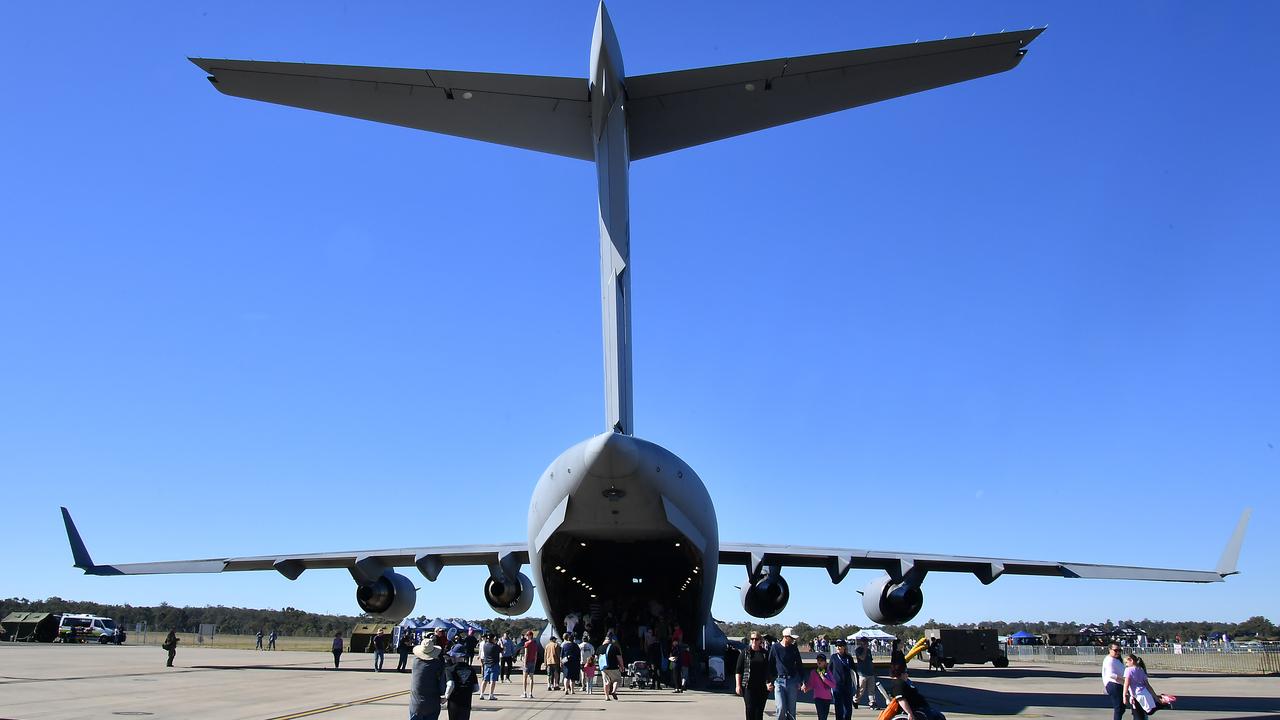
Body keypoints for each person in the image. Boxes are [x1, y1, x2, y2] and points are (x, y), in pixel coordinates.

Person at [767, 627, 804, 720]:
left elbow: (799, 664)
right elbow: (770, 664)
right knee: (781, 707)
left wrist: (802, 680)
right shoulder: (775, 647)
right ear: (786, 637)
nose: (793, 640)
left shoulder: (794, 648)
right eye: (792, 638)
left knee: (791, 710)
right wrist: (769, 681)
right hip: (779, 681)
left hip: (792, 681)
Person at [1123, 654, 1173, 719]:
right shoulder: (1140, 669)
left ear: (1131, 660)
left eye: (1126, 662)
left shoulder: (1128, 670)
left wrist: (1124, 695)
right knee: (1147, 711)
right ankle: (1162, 703)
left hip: (1137, 694)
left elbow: (1126, 683)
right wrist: (1155, 697)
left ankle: (1163, 704)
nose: (1126, 664)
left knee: (1141, 713)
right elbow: (1147, 684)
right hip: (1144, 692)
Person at [410, 638, 447, 720]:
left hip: (415, 705)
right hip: (432, 703)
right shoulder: (436, 664)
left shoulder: (415, 662)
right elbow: (442, 682)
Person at [737, 631, 771, 720]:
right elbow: (738, 670)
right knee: (750, 709)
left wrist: (769, 682)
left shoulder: (765, 653)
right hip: (748, 686)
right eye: (752, 639)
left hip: (762, 687)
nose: (754, 641)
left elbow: (768, 670)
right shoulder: (745, 653)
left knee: (759, 711)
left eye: (756, 639)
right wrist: (738, 685)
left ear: (760, 640)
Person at [444, 644, 479, 720]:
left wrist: (446, 697)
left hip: (454, 702)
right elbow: (476, 688)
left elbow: (450, 684)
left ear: (456, 656)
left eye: (452, 656)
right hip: (466, 702)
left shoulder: (450, 669)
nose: (451, 658)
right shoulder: (471, 669)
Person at [828, 638, 856, 720]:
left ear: (844, 647)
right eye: (837, 646)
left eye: (840, 646)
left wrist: (857, 686)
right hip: (837, 686)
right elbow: (829, 670)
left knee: (848, 708)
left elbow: (854, 671)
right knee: (838, 707)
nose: (838, 647)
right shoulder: (833, 657)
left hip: (847, 686)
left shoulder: (849, 658)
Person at [807, 653, 838, 720]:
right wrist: (805, 687)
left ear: (825, 662)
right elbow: (811, 684)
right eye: (818, 660)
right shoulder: (814, 672)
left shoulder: (828, 672)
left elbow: (833, 685)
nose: (819, 662)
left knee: (824, 716)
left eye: (821, 660)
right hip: (818, 697)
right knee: (821, 717)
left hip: (827, 698)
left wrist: (824, 679)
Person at [1103, 643, 1127, 720]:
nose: (1118, 652)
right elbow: (1111, 675)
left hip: (1119, 684)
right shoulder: (1109, 660)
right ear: (1110, 650)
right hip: (1114, 685)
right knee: (1119, 708)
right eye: (1115, 650)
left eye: (1120, 650)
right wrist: (1124, 680)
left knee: (1122, 707)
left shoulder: (1116, 659)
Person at [855, 637, 880, 710]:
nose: (866, 644)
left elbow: (870, 660)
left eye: (867, 642)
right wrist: (865, 649)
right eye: (864, 642)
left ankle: (872, 702)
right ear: (861, 643)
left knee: (871, 689)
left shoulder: (869, 651)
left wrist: (873, 670)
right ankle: (855, 700)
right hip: (862, 673)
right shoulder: (858, 650)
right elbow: (862, 658)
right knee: (861, 689)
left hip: (870, 673)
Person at [601, 632, 623, 701]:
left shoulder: (600, 648)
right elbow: (619, 658)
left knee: (606, 682)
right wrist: (622, 666)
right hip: (614, 667)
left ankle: (607, 697)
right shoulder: (615, 648)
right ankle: (614, 691)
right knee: (616, 680)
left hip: (604, 667)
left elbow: (596, 657)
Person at [479, 633, 500, 700]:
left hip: (486, 664)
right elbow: (502, 650)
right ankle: (491, 695)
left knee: (485, 680)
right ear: (493, 638)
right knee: (492, 680)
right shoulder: (495, 646)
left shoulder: (485, 645)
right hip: (494, 664)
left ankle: (481, 694)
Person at [521, 630, 538, 699]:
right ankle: (530, 693)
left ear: (530, 635)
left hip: (527, 662)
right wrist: (535, 662)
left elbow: (526, 654)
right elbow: (536, 654)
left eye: (527, 635)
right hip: (533, 662)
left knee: (524, 678)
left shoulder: (526, 643)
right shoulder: (535, 644)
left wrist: (524, 663)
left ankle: (524, 693)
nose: (526, 636)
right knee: (531, 678)